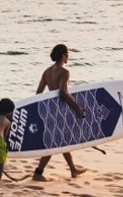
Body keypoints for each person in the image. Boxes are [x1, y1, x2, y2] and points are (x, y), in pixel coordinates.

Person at [32, 44, 86, 181]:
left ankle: (73, 169)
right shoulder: (64, 72)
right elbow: (63, 92)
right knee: (56, 142)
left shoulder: (46, 72)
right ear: (63, 55)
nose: (68, 56)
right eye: (67, 53)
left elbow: (38, 93)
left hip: (50, 110)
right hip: (60, 110)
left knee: (62, 140)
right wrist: (77, 107)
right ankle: (38, 172)